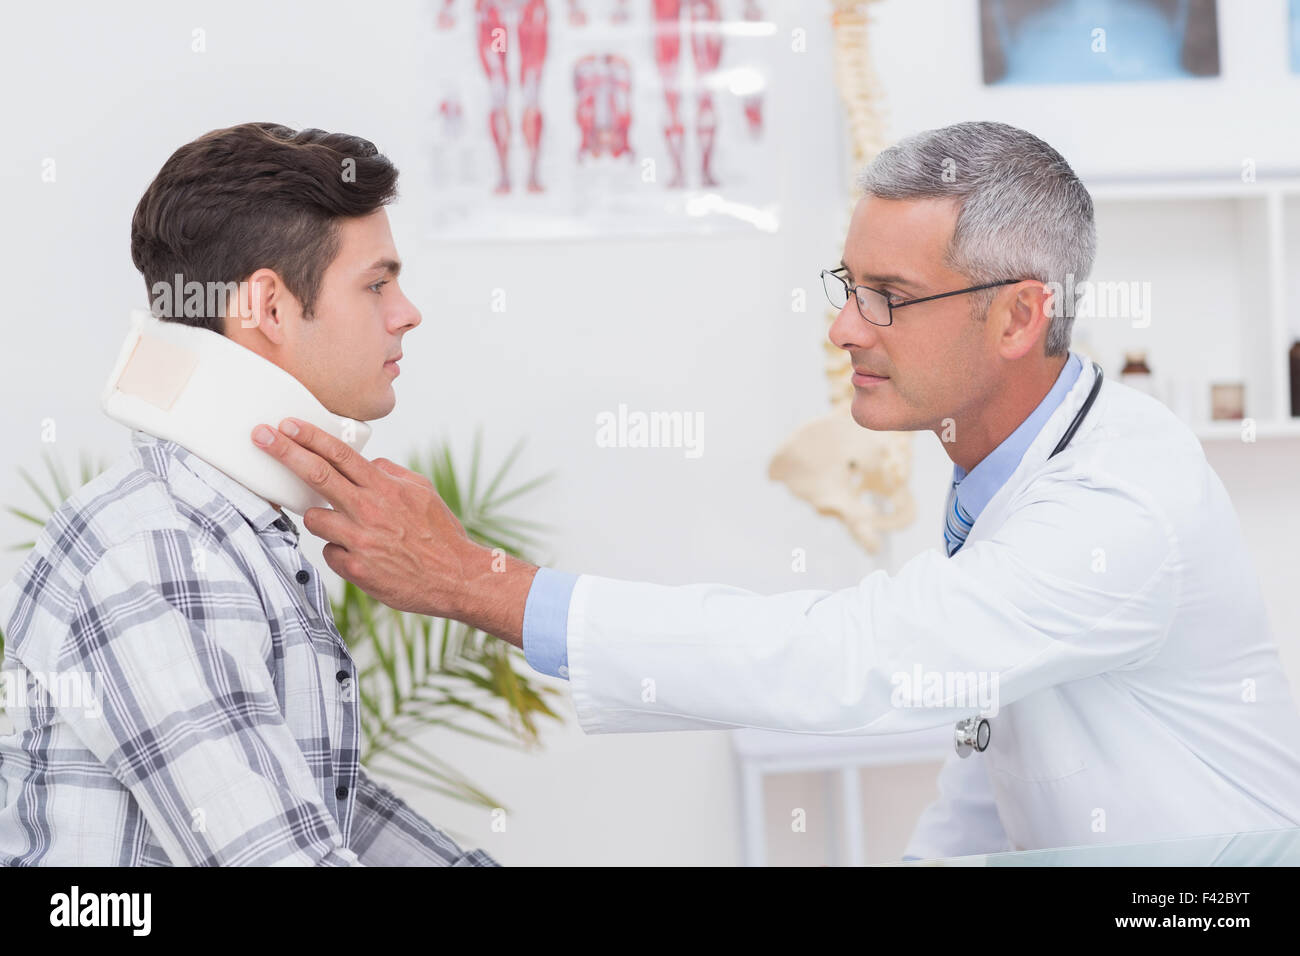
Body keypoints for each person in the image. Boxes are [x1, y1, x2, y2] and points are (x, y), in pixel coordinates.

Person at [252, 121, 1300, 858]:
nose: (845, 329)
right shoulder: (1006, 473)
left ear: (1018, 317)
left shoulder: (1118, 503)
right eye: (850, 288)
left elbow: (857, 659)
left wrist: (479, 582)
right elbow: (993, 756)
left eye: (888, 298)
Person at [0, 122, 496, 866]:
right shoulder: (158, 550)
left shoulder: (234, 528)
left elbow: (322, 812)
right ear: (266, 307)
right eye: (377, 283)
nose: (406, 312)